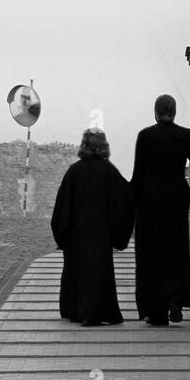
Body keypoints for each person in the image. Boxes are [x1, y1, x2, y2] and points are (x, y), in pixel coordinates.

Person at [130, 93, 190, 327]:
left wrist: (131, 202)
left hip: (149, 201)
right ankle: (176, 298)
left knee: (151, 253)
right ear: (174, 112)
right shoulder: (186, 136)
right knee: (176, 249)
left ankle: (156, 310)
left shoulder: (145, 136)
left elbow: (138, 173)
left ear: (155, 112)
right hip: (176, 198)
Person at [50, 129, 134, 326]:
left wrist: (62, 237)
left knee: (77, 272)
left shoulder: (73, 172)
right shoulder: (109, 172)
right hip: (100, 236)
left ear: (84, 145)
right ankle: (96, 311)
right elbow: (125, 203)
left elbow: (61, 209)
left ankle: (77, 310)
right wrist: (118, 236)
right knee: (98, 273)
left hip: (76, 237)